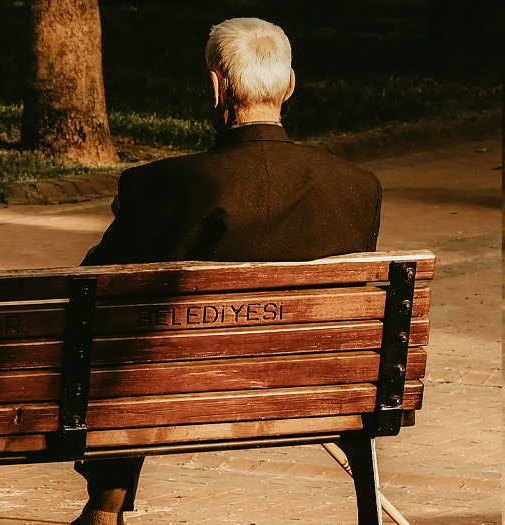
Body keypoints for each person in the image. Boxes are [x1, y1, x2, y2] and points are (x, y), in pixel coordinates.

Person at [73, 18, 381, 525]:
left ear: (217, 87)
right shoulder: (356, 187)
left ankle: (106, 505)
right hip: (316, 386)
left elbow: (95, 287)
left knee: (113, 334)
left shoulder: (159, 187)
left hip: (179, 390)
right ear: (289, 85)